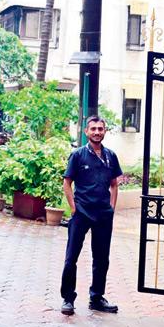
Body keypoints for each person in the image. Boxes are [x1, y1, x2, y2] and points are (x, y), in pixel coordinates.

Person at [59, 115, 122, 315]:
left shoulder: (111, 156)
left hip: (103, 214)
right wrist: (73, 207)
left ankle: (96, 298)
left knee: (102, 258)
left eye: (100, 129)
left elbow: (114, 184)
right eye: (93, 129)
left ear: (104, 132)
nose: (97, 132)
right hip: (82, 212)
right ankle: (68, 298)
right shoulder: (78, 155)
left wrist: (111, 208)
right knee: (72, 257)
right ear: (86, 132)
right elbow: (67, 183)